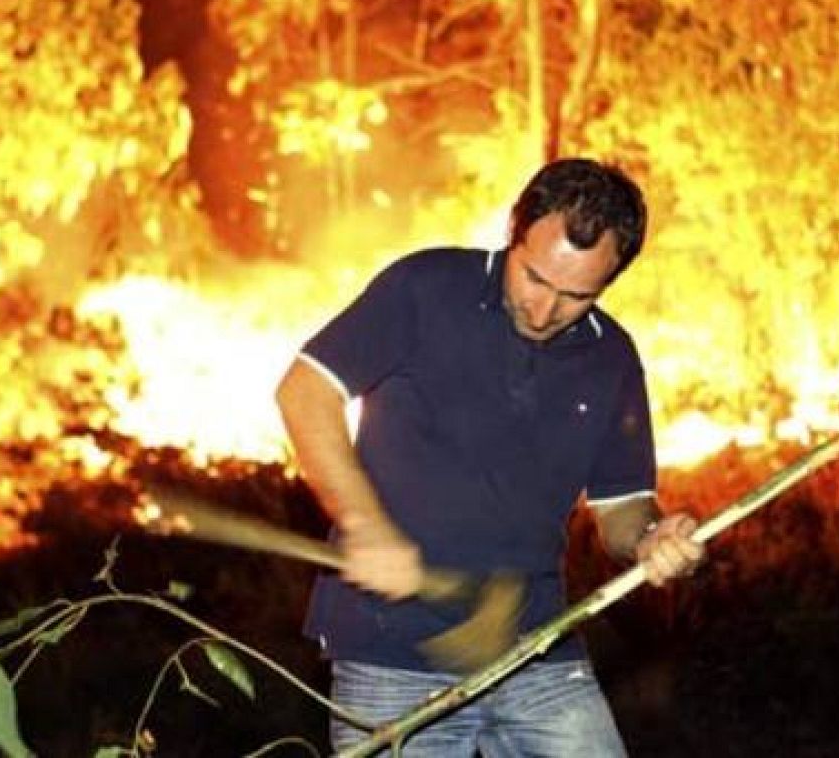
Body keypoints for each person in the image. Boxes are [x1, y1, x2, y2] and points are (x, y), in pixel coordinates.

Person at [275, 157, 704, 756]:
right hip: (388, 654)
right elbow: (305, 391)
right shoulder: (423, 288)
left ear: (608, 282)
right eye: (533, 277)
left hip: (538, 647)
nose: (543, 310)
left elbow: (621, 508)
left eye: (575, 296)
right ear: (513, 230)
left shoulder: (612, 360)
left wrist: (652, 538)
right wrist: (365, 525)